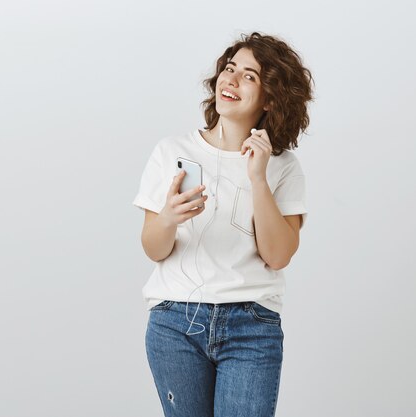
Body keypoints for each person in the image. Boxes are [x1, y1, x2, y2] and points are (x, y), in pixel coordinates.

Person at [132, 32, 315, 417]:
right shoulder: (172, 151)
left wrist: (259, 178)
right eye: (229, 69)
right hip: (175, 322)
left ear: (270, 97)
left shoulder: (282, 167)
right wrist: (169, 217)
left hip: (252, 326)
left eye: (250, 76)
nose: (230, 80)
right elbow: (153, 248)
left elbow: (279, 255)